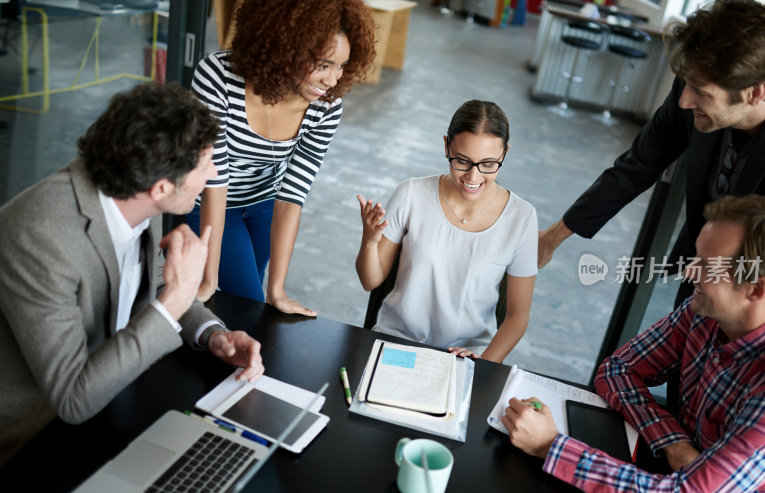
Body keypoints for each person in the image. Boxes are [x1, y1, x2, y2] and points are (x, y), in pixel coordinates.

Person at [0, 82, 264, 467]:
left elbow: (157, 281)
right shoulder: (39, 238)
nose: (213, 173)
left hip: (111, 400)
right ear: (160, 188)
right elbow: (73, 398)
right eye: (205, 164)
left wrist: (213, 335)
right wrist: (175, 300)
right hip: (32, 438)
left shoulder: (133, 193)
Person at [503, 195, 765, 493]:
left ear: (758, 289)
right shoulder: (704, 313)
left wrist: (550, 446)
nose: (689, 272)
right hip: (677, 481)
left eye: (707, 265)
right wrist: (675, 444)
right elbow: (618, 370)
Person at [537, 0, 765, 307]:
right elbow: (636, 166)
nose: (685, 101)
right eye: (687, 84)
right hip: (704, 273)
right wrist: (552, 237)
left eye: (701, 92)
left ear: (755, 93)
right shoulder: (696, 83)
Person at [187, 0, 376, 313]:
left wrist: (277, 290)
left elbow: (292, 195)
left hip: (265, 204)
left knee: (256, 295)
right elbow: (214, 183)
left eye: (341, 66)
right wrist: (207, 279)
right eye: (323, 64)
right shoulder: (217, 77)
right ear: (287, 47)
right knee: (248, 301)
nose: (332, 80)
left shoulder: (327, 105)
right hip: (207, 203)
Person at [356, 100, 538, 363]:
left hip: (467, 358)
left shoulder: (522, 218)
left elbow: (518, 316)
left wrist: (484, 363)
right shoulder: (411, 194)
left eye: (488, 164)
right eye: (462, 161)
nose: (473, 178)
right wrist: (369, 241)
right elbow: (369, 281)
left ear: (505, 154)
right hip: (397, 345)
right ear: (446, 146)